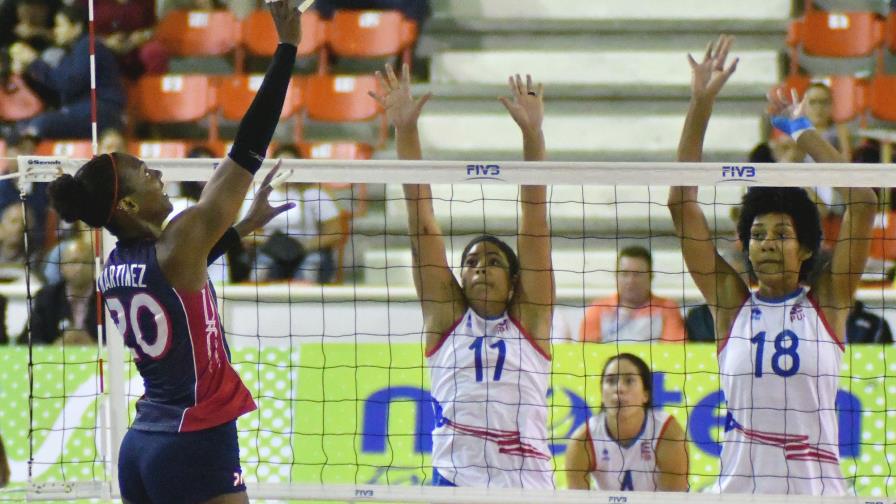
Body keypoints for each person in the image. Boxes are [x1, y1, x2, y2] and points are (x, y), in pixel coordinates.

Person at [44, 2, 301, 502]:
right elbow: (247, 150)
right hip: (196, 438)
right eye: (148, 173)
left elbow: (184, 275)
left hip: (143, 447)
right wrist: (287, 49)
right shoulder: (179, 239)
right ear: (132, 203)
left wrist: (245, 225)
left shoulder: (115, 267)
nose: (161, 177)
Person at [669, 35, 876, 494]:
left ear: (805, 249)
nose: (765, 244)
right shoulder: (730, 304)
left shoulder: (830, 299)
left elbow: (863, 200)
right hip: (741, 494)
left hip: (816, 494)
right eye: (758, 234)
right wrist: (701, 102)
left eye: (781, 235)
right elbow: (680, 203)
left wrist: (802, 129)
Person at [370, 64, 554, 488]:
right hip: (456, 482)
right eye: (470, 262)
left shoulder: (531, 319)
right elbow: (422, 220)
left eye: (492, 262)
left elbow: (534, 218)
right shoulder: (445, 319)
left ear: (513, 281)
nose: (479, 269)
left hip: (526, 486)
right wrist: (405, 131)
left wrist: (532, 136)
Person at [565, 353, 688, 491]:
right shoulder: (582, 440)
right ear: (601, 395)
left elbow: (674, 499)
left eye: (629, 381)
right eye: (611, 381)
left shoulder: (668, 433)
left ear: (645, 394)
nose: (619, 388)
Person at [8, 5, 125, 143]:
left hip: (101, 111)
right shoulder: (70, 52)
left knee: (40, 125)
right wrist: (26, 71)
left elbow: (70, 83)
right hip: (80, 110)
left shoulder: (90, 45)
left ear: (76, 27)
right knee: (22, 128)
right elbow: (55, 90)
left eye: (59, 26)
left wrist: (34, 61)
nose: (56, 31)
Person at [579, 246, 685, 343]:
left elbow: (674, 352)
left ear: (651, 277)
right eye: (625, 274)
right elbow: (588, 354)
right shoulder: (598, 308)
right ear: (616, 276)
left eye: (637, 274)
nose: (630, 281)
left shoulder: (667, 308)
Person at [23, 238, 97, 345]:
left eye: (85, 262)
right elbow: (28, 340)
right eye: (73, 262)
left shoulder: (107, 297)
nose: (79, 267)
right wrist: (55, 346)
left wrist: (94, 345)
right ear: (62, 267)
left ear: (94, 266)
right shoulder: (46, 297)